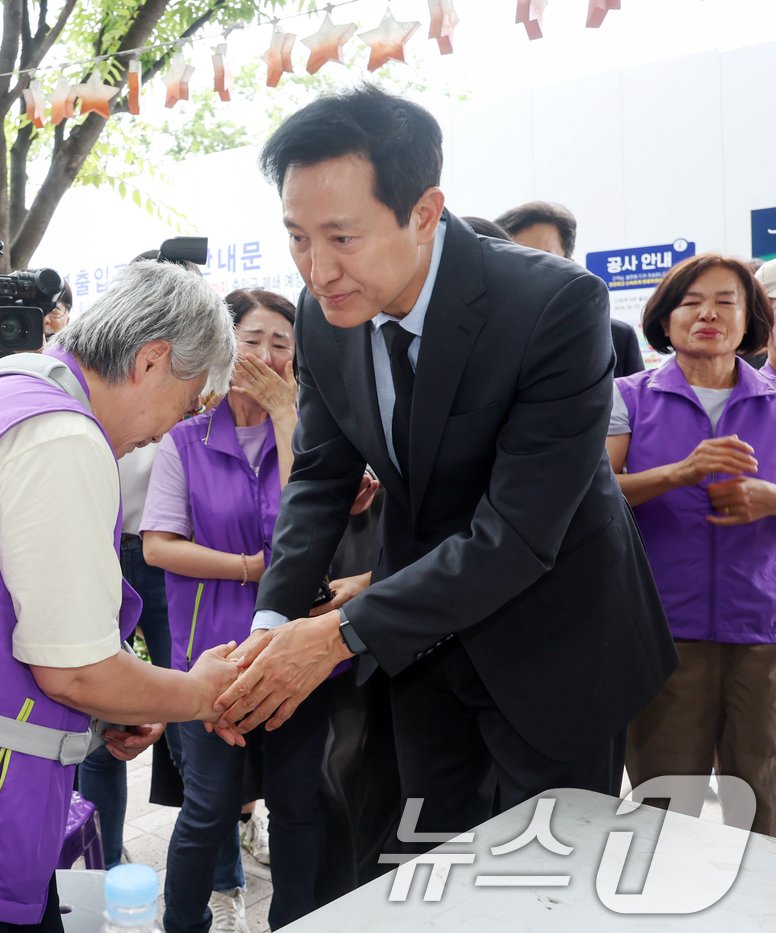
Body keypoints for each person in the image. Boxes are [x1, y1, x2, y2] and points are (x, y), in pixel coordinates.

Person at [219, 86, 676, 847]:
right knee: (425, 870)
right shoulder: (328, 320)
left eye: (341, 237)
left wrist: (335, 636)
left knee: (545, 882)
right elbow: (320, 479)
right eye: (297, 237)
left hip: (556, 648)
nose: (318, 268)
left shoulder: (553, 306)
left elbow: (522, 533)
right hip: (422, 653)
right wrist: (271, 625)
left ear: (424, 211)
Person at [0, 260, 242, 933]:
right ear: (151, 361)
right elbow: (77, 669)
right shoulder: (61, 437)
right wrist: (198, 693)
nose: (173, 428)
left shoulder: (8, 389)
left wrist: (116, 702)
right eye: (190, 399)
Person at [143, 289, 369, 933]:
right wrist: (251, 568)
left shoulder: (308, 432)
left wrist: (283, 411)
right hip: (212, 658)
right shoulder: (183, 440)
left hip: (299, 653)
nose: (266, 354)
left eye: (281, 343)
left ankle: (293, 922)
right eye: (252, 340)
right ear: (225, 347)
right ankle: (183, 923)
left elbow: (312, 506)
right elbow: (159, 546)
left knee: (298, 806)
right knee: (208, 807)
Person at [606, 254, 776, 835]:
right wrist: (680, 472)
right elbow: (593, 495)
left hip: (764, 632)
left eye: (726, 301)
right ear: (665, 317)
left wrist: (771, 498)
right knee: (664, 811)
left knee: (766, 806)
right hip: (662, 631)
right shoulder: (627, 397)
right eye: (690, 301)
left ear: (750, 318)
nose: (708, 313)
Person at [495, 199, 645, 377]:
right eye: (515, 256)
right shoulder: (479, 332)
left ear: (569, 265)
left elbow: (633, 403)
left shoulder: (616, 337)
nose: (528, 268)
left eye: (542, 258)